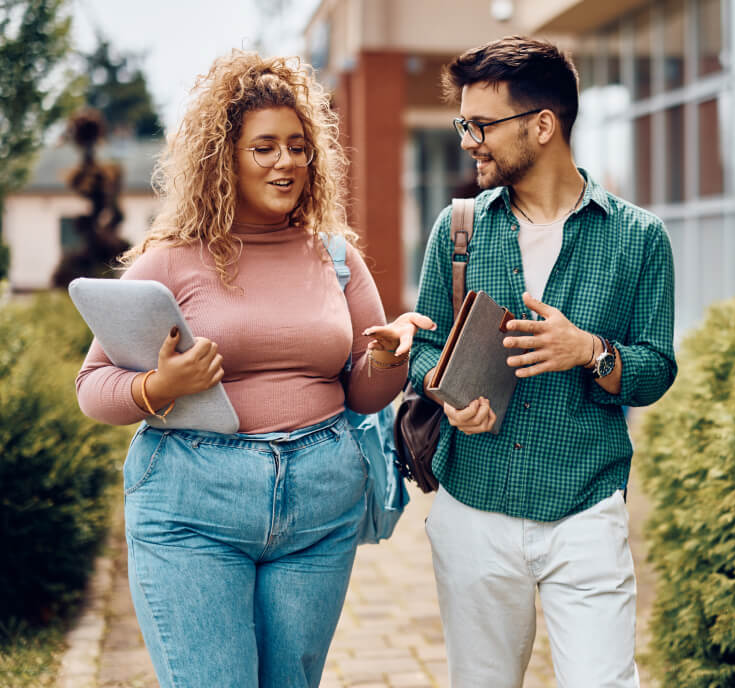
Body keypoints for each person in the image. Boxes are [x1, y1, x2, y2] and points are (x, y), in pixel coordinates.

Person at [75, 51, 433, 688]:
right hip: (193, 503)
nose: (287, 162)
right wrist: (160, 386)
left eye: (298, 146)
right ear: (225, 158)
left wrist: (386, 357)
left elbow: (364, 394)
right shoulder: (171, 261)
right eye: (264, 147)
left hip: (321, 504)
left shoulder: (336, 256)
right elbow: (92, 388)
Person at [408, 36, 677, 687]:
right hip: (473, 507)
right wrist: (447, 395)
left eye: (482, 124)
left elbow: (656, 369)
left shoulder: (639, 239)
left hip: (584, 509)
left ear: (543, 125)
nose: (469, 139)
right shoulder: (459, 228)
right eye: (463, 122)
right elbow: (423, 348)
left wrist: (590, 351)